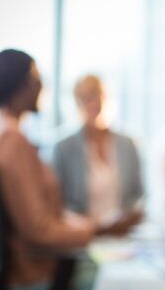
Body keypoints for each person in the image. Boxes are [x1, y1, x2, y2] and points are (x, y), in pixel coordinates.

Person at [0, 49, 95, 290]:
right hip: (30, 275)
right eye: (36, 78)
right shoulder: (12, 140)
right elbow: (37, 228)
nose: (41, 85)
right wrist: (96, 230)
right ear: (19, 83)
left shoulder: (11, 134)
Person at [52, 74, 144, 235]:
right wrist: (93, 226)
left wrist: (125, 219)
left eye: (96, 95)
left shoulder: (128, 144)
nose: (92, 102)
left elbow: (139, 195)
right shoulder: (64, 148)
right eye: (84, 97)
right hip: (82, 235)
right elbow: (58, 202)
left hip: (122, 235)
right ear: (76, 102)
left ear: (105, 97)